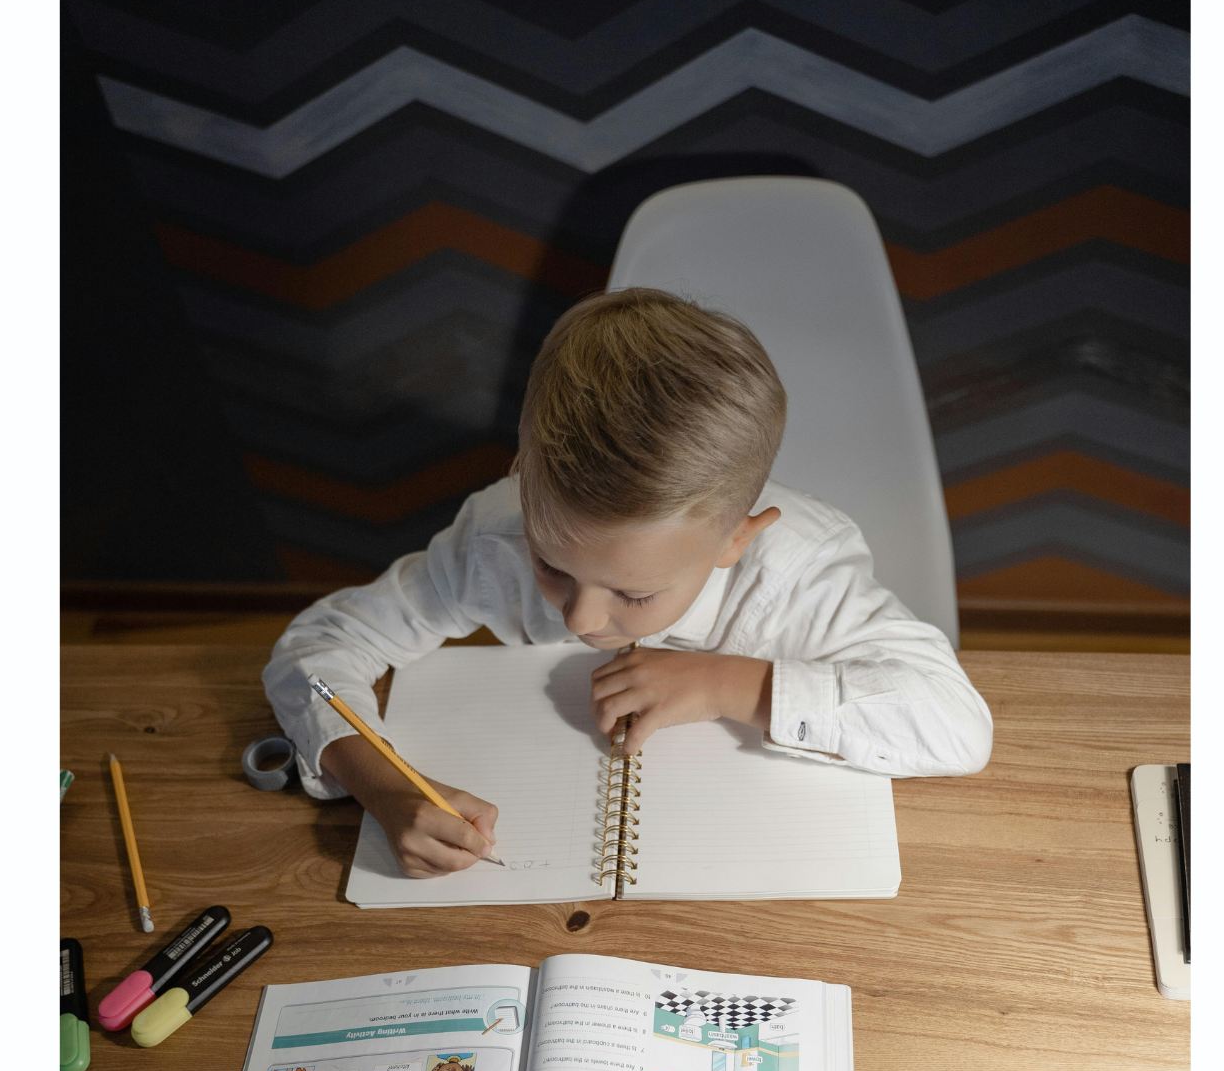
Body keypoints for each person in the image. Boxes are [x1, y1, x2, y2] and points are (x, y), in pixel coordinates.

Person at [264, 287, 993, 878]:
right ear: (523, 478)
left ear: (736, 539)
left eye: (635, 595)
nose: (582, 619)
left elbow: (957, 725)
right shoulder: (497, 531)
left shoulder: (801, 572)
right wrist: (382, 786)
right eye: (552, 566)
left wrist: (724, 685)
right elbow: (320, 650)